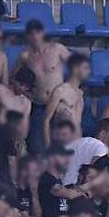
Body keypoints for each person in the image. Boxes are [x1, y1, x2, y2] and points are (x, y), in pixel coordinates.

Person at [13, 20, 71, 154]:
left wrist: (72, 89)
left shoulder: (57, 49)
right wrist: (22, 89)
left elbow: (77, 68)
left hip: (58, 104)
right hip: (38, 104)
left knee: (62, 146)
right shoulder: (25, 56)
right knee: (37, 146)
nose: (35, 37)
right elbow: (14, 78)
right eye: (31, 34)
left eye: (37, 33)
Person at [43, 53, 90, 145]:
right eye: (86, 68)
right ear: (76, 69)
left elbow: (78, 122)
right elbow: (46, 120)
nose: (89, 72)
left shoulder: (81, 93)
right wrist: (48, 146)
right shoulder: (60, 91)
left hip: (77, 145)